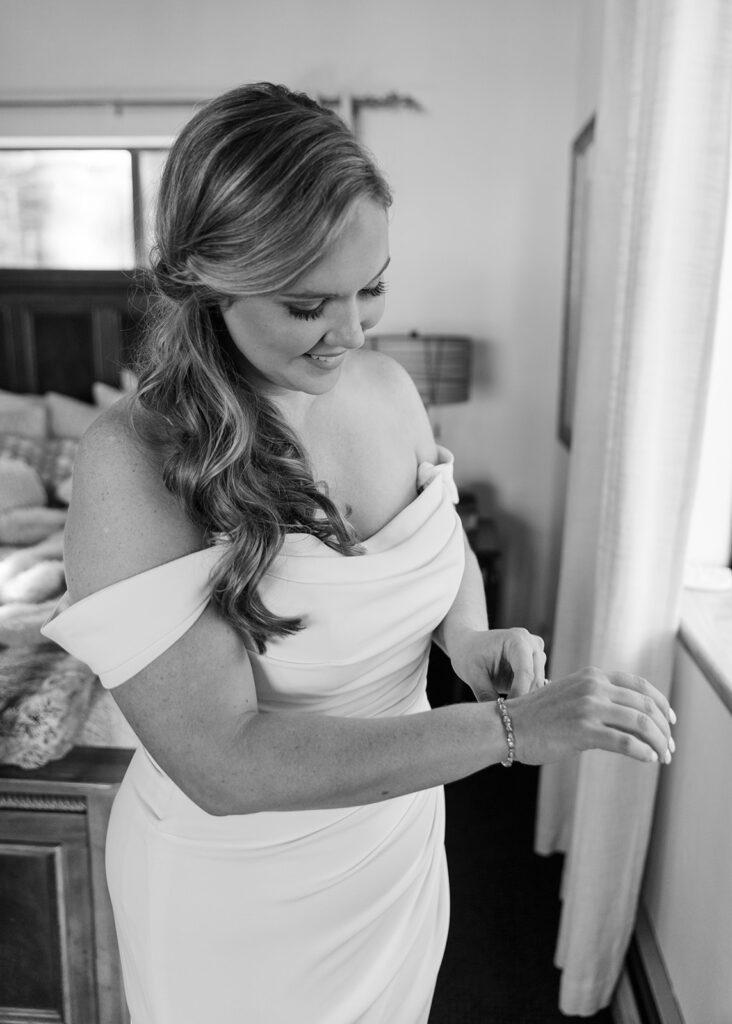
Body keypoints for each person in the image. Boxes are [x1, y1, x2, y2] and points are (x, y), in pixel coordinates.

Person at [41, 83, 675, 1024]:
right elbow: (225, 764)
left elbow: (440, 533)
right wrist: (509, 733)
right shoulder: (130, 463)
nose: (353, 333)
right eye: (306, 306)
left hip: (395, 837)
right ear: (204, 278)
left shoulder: (386, 388)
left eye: (371, 288)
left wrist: (468, 640)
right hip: (239, 893)